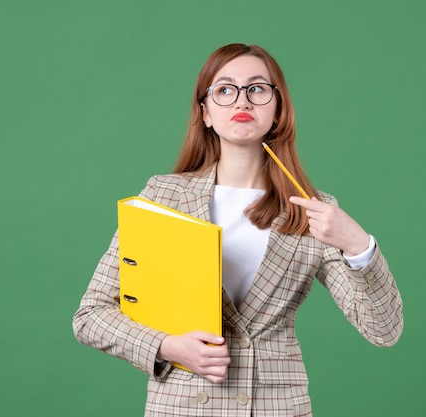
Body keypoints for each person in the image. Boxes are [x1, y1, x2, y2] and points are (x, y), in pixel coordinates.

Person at [72, 43, 403, 417]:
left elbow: (383, 329)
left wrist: (358, 244)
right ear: (206, 112)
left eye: (257, 89)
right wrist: (167, 346)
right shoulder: (163, 196)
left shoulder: (313, 209)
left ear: (278, 110)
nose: (241, 101)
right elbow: (91, 315)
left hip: (276, 408)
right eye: (225, 89)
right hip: (182, 407)